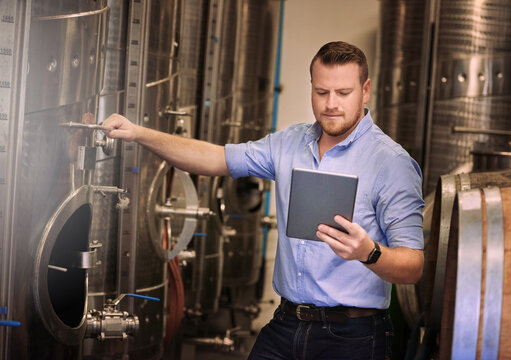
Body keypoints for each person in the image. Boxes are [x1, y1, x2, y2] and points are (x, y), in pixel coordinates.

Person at [103, 41, 424, 360]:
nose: (331, 104)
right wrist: (138, 133)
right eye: (322, 92)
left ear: (365, 91)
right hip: (286, 325)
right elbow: (216, 158)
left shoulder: (390, 163)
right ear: (311, 87)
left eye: (343, 93)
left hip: (352, 335)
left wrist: (368, 253)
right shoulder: (290, 142)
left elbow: (413, 267)